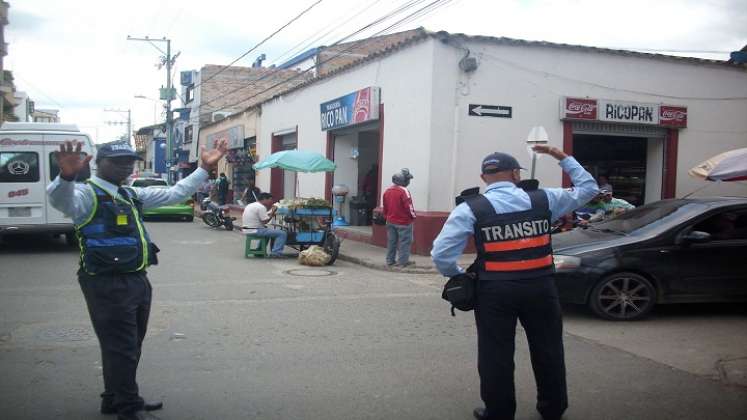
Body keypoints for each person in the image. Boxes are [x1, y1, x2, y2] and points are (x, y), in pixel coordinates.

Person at [47, 139, 228, 420]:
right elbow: (61, 200)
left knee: (129, 343)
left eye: (129, 161)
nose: (125, 166)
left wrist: (204, 167)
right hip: (107, 282)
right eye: (117, 161)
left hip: (136, 279)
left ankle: (113, 398)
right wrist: (66, 177)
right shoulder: (86, 194)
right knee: (123, 346)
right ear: (99, 163)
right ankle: (128, 408)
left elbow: (174, 193)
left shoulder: (130, 194)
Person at [431, 146, 598, 420]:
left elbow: (441, 254)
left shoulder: (470, 208)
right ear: (516, 174)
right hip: (541, 287)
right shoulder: (545, 199)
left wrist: (458, 275)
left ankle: (498, 413)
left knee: (495, 354)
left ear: (484, 178)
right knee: (548, 349)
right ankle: (553, 408)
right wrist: (559, 155)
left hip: (494, 291)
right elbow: (588, 188)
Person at [382, 168, 416, 267]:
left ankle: (390, 261)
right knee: (405, 242)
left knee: (392, 242)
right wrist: (413, 216)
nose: (409, 181)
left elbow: (385, 206)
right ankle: (402, 262)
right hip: (404, 222)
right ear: (404, 181)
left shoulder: (387, 191)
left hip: (390, 221)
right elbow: (409, 207)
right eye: (408, 179)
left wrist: (386, 217)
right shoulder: (404, 191)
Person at [242, 192, 287, 258]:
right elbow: (265, 221)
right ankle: (276, 253)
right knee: (282, 233)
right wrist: (273, 212)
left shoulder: (251, 205)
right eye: (270, 199)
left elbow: (263, 217)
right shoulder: (261, 207)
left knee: (267, 231)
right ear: (264, 199)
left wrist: (270, 213)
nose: (271, 201)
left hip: (247, 229)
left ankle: (259, 251)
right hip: (254, 230)